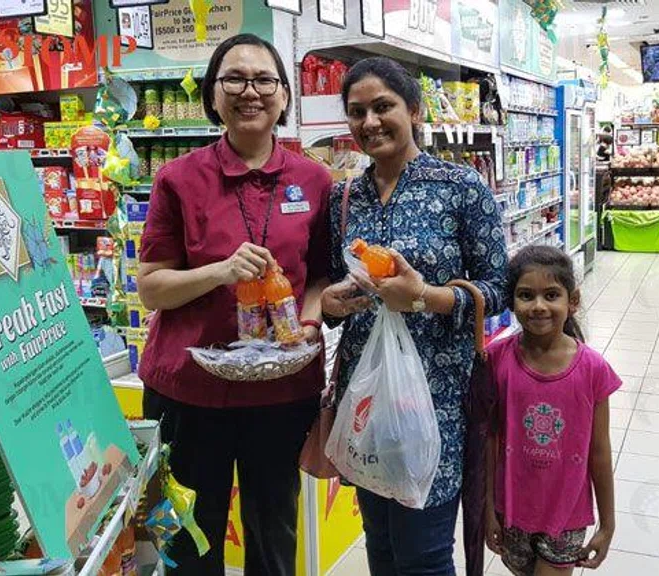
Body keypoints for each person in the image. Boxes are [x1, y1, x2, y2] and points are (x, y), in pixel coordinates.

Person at [136, 33, 332, 576]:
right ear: (213, 95)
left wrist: (311, 320)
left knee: (274, 531)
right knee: (190, 541)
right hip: (190, 389)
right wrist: (221, 272)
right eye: (235, 79)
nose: (251, 91)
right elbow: (151, 286)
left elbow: (318, 275)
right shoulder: (178, 178)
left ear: (285, 95)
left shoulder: (313, 179)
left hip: (281, 388)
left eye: (264, 79)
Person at [321, 56, 508, 574]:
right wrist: (331, 305)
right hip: (367, 396)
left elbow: (500, 289)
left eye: (384, 107)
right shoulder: (343, 198)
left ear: (416, 110)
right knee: (380, 546)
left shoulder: (460, 188)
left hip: (436, 401)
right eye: (357, 112)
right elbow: (328, 290)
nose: (370, 122)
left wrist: (425, 295)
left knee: (424, 556)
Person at [485, 246, 618, 576]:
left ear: (572, 301)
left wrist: (608, 523)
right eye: (526, 295)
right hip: (512, 509)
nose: (539, 306)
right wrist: (487, 508)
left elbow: (599, 451)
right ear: (511, 302)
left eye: (552, 295)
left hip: (567, 513)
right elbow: (488, 441)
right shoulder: (496, 360)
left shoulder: (593, 370)